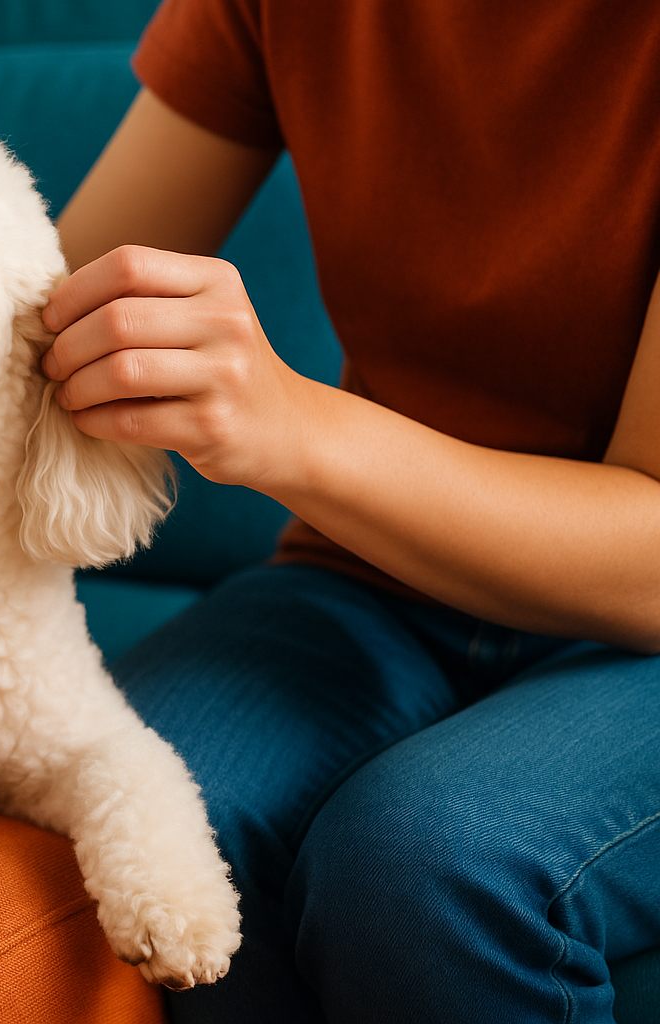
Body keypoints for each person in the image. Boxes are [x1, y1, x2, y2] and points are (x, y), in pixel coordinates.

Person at [43, 3, 660, 1021]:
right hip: (376, 583)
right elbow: (55, 313)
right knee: (121, 797)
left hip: (633, 619)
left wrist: (291, 426)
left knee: (425, 863)